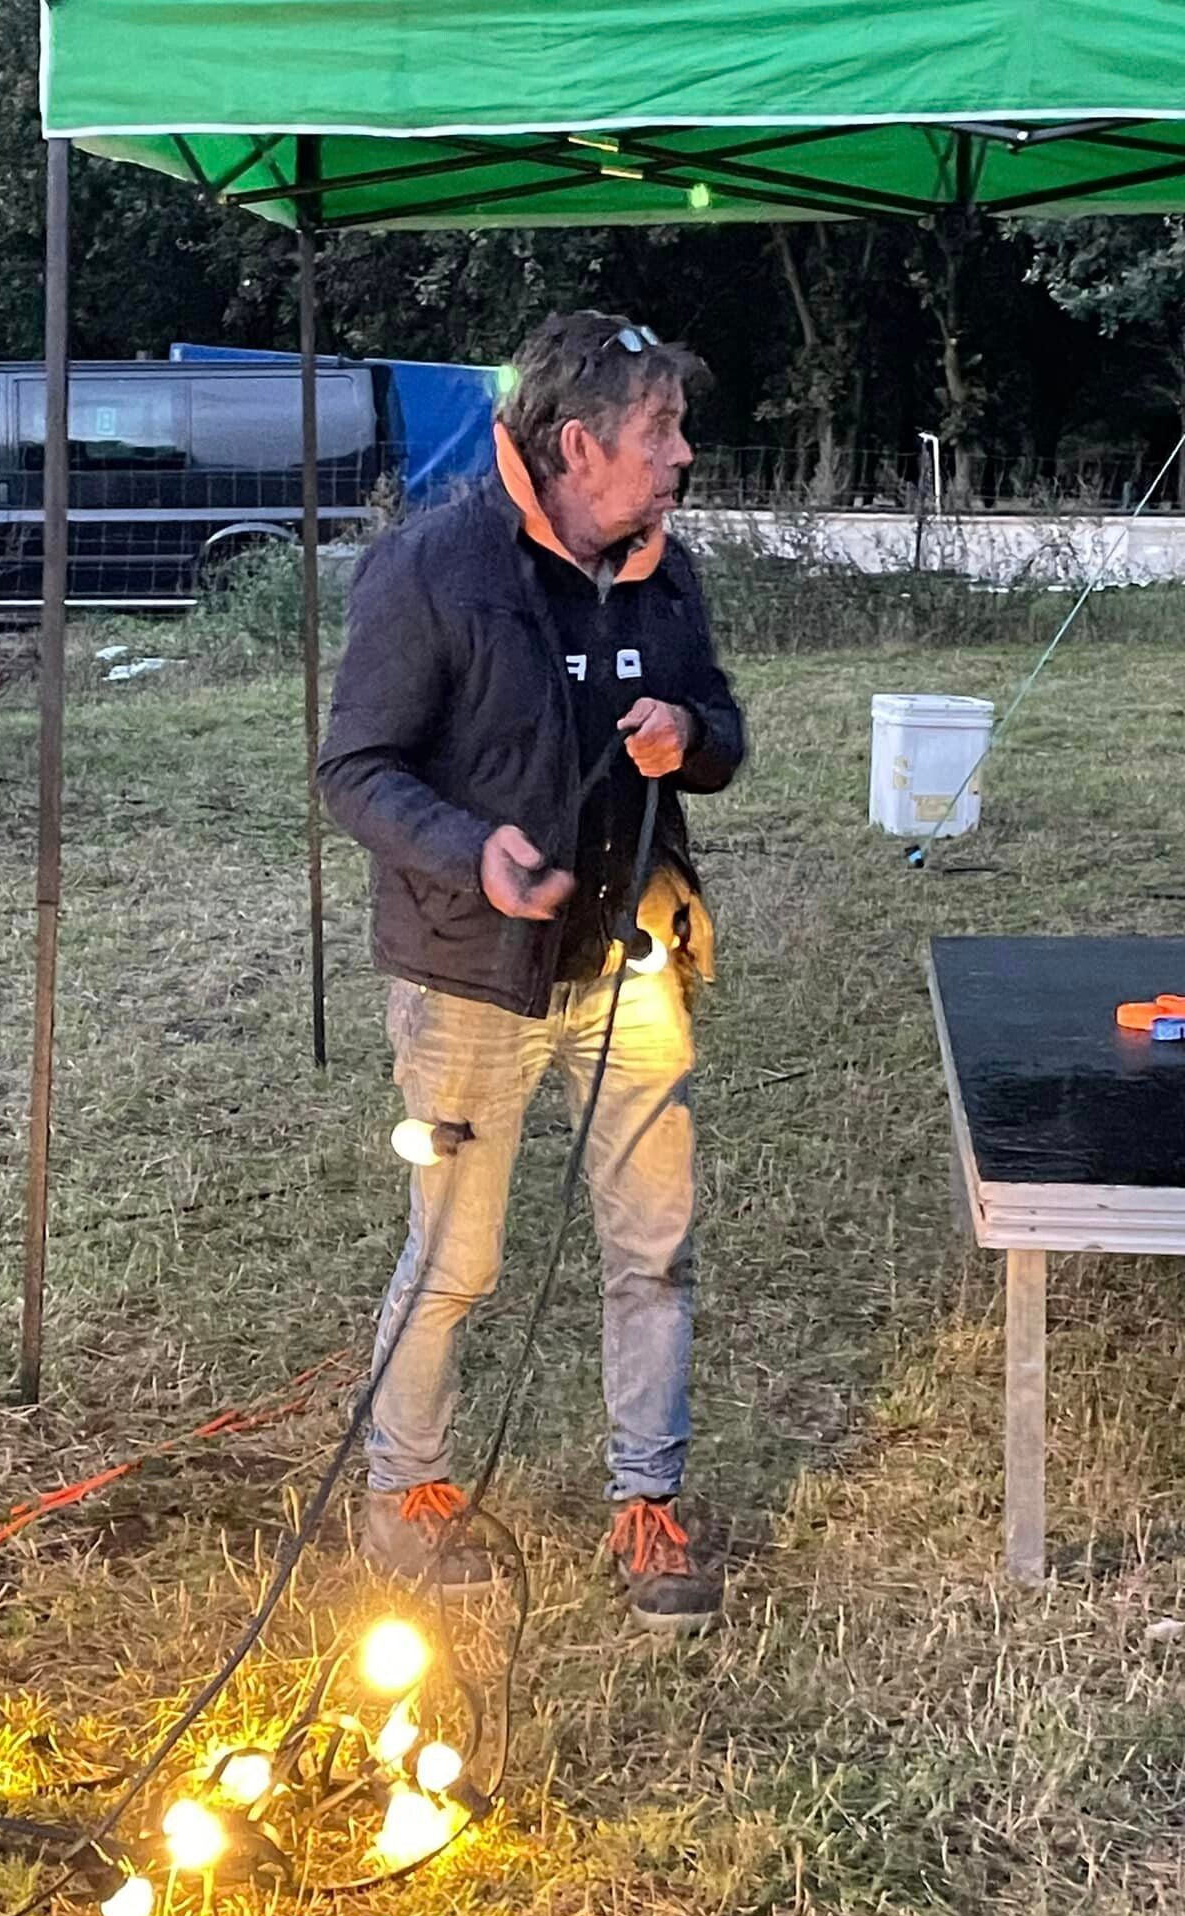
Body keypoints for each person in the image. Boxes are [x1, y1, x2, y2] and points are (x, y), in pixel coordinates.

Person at [317, 311, 746, 1633]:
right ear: (578, 446)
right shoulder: (432, 569)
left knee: (653, 1253)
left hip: (632, 969)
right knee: (456, 1261)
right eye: (659, 431)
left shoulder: (665, 573)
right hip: (470, 979)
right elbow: (355, 770)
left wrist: (690, 735)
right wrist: (473, 853)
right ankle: (406, 1494)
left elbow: (725, 729)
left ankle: (648, 1501)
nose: (681, 455)